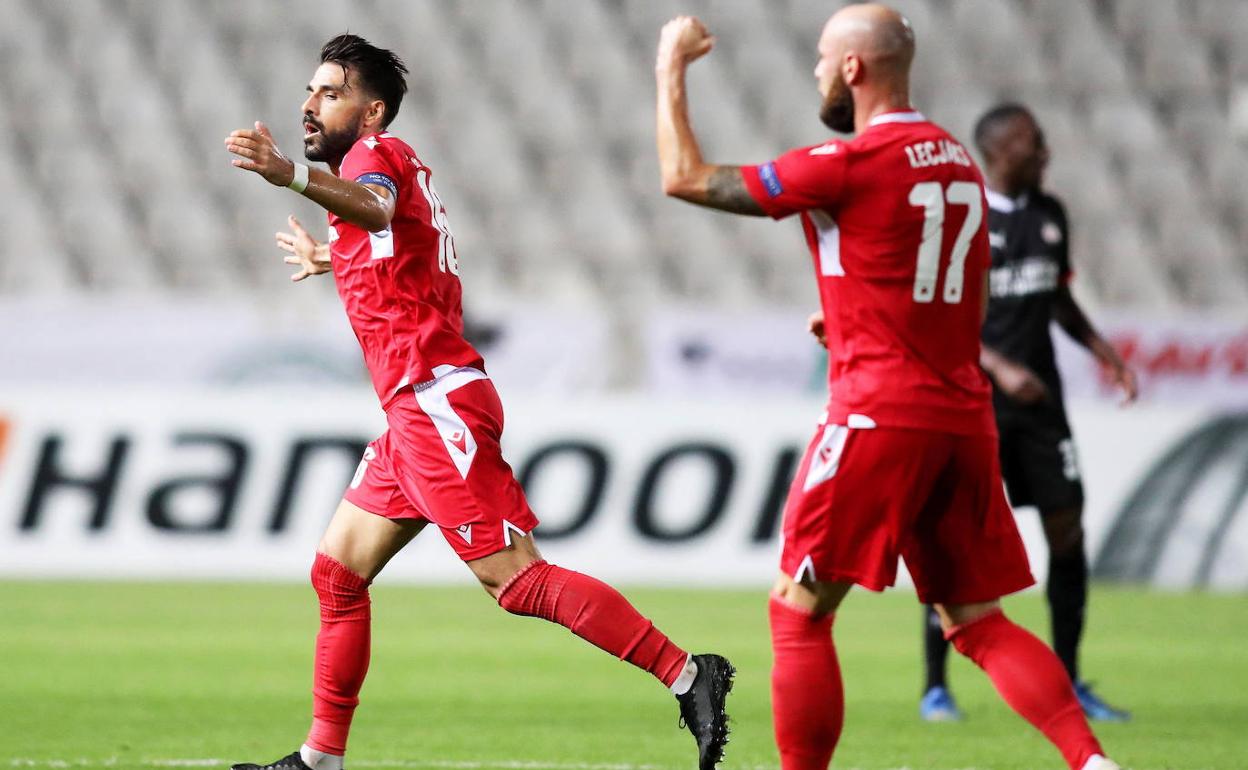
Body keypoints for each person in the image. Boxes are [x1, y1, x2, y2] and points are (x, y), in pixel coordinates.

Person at [224, 34, 733, 770]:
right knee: (337, 574)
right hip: (413, 412)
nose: (309, 103)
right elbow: (396, 244)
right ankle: (320, 759)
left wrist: (289, 175)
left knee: (516, 580)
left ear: (371, 114)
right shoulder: (389, 168)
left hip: (434, 402)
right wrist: (327, 255)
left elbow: (372, 210)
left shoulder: (374, 160)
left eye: (329, 92)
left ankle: (690, 674)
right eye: (309, 89)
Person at [654, 6, 1120, 770]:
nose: (813, 72)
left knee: (798, 611)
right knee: (978, 622)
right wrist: (850, 319)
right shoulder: (960, 166)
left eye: (818, 59)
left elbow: (685, 177)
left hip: (876, 416)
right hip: (963, 422)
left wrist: (669, 66)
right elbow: (945, 295)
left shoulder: (850, 163)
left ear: (851, 69)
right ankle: (1092, 763)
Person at [916, 103, 1137, 724]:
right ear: (1002, 150)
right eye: (1033, 143)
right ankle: (936, 687)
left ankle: (1067, 680)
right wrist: (998, 365)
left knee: (1068, 534)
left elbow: (1057, 296)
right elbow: (936, 313)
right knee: (952, 543)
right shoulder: (965, 216)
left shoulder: (1050, 213)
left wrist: (1105, 354)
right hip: (975, 406)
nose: (1045, 152)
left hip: (1042, 409)